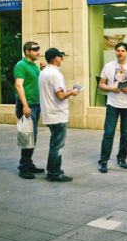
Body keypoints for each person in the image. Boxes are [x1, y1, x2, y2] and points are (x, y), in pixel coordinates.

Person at [97, 42, 127, 173]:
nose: (120, 53)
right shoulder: (108, 66)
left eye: (123, 50)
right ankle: (103, 161)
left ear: (126, 52)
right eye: (118, 50)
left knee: (125, 134)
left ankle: (122, 158)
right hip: (113, 104)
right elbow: (101, 84)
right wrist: (111, 88)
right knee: (108, 133)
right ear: (115, 52)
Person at [38, 48, 80, 182]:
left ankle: (52, 170)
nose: (62, 59)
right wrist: (72, 93)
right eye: (60, 56)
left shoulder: (44, 72)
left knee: (54, 144)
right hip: (58, 114)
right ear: (55, 58)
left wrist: (68, 90)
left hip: (49, 113)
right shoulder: (56, 74)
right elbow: (60, 95)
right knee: (57, 146)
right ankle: (54, 173)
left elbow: (55, 92)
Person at [14, 41, 44, 179]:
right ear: (27, 51)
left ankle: (28, 163)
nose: (38, 51)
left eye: (38, 49)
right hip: (28, 105)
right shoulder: (21, 65)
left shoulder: (34, 66)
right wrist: (25, 105)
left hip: (36, 105)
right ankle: (23, 168)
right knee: (27, 136)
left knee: (33, 136)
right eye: (35, 49)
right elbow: (19, 86)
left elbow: (33, 83)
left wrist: (42, 70)